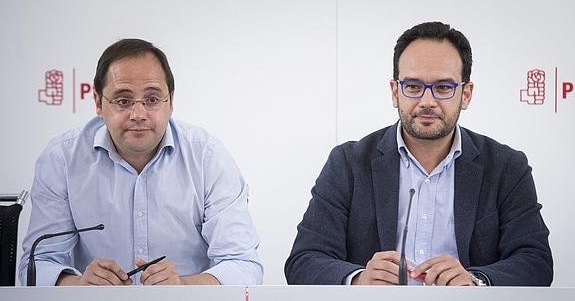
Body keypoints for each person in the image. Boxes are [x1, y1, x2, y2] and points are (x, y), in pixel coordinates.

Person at [285, 22, 553, 286]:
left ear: (466, 94)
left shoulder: (506, 167)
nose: (427, 101)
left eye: (443, 87)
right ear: (394, 92)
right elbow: (304, 260)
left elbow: (535, 262)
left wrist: (476, 282)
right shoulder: (348, 163)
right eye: (413, 86)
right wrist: (359, 281)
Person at [19, 39, 263, 286]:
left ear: (171, 101)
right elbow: (38, 263)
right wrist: (78, 286)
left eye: (152, 99)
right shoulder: (62, 159)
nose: (138, 115)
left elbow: (243, 265)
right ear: (97, 102)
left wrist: (183, 286)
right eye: (123, 101)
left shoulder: (207, 158)